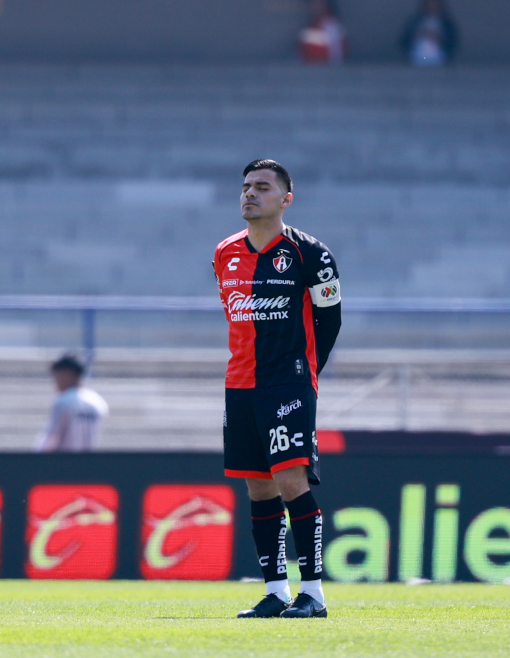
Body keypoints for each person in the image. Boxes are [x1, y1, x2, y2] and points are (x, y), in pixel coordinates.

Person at [213, 160, 341, 619]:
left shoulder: (310, 254)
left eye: (262, 187)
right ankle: (275, 591)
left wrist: (307, 372)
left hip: (286, 381)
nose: (250, 193)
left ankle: (313, 594)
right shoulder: (225, 252)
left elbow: (331, 317)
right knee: (258, 489)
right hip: (239, 383)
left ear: (286, 199)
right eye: (246, 186)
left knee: (291, 481)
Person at [34, 354, 109, 453]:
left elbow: (52, 438)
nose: (55, 383)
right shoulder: (98, 402)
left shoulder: (63, 401)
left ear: (66, 374)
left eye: (57, 376)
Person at [400, 0, 459, 67]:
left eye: (434, 5)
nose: (432, 8)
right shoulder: (415, 22)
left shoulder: (446, 23)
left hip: (439, 59)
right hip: (417, 58)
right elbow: (404, 39)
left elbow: (452, 40)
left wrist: (438, 37)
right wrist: (418, 35)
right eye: (429, 5)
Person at [300, 0, 347, 65]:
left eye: (319, 4)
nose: (316, 7)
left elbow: (337, 56)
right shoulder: (311, 25)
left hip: (328, 70)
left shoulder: (333, 26)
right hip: (310, 69)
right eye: (314, 4)